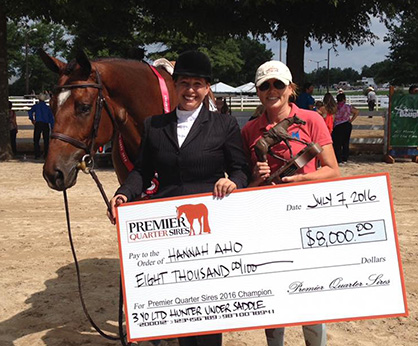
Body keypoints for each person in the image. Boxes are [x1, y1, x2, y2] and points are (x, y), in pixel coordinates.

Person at [107, 50, 249, 346]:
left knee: (209, 306)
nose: (191, 91)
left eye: (198, 84)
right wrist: (123, 193)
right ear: (175, 85)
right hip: (170, 228)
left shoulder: (224, 125)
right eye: (185, 83)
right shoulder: (154, 126)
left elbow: (240, 169)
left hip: (211, 228)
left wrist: (232, 181)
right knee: (181, 303)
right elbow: (142, 172)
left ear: (207, 88)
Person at [241, 60, 340, 346]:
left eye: (278, 84)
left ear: (290, 88)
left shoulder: (311, 119)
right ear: (258, 91)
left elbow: (332, 170)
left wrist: (300, 181)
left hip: (308, 216)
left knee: (311, 291)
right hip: (268, 220)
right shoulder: (250, 131)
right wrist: (257, 178)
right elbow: (247, 186)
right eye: (265, 86)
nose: (272, 90)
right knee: (273, 291)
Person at [332, 93, 359, 165]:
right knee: (345, 142)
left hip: (338, 125)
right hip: (346, 124)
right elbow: (356, 111)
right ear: (344, 99)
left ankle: (339, 158)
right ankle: (345, 158)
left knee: (337, 143)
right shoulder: (347, 107)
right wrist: (351, 120)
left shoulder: (335, 107)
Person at [28, 93, 54, 159]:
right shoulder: (47, 108)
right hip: (45, 124)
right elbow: (51, 118)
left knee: (36, 139)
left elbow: (30, 112)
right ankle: (46, 155)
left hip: (38, 123)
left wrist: (32, 119)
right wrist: (52, 126)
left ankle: (37, 154)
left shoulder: (36, 106)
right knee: (46, 140)